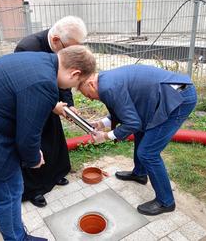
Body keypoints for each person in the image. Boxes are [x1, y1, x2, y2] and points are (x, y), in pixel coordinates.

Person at [0, 45, 96, 241]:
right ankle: (18, 238)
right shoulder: (45, 83)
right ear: (75, 73)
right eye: (76, 83)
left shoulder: (36, 59)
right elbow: (27, 137)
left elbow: (19, 93)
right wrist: (33, 159)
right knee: (9, 190)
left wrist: (52, 106)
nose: (69, 88)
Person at [78, 64, 197, 216]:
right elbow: (125, 110)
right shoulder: (105, 80)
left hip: (179, 98)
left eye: (88, 95)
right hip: (165, 94)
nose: (90, 98)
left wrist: (106, 136)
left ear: (91, 84)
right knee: (141, 132)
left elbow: (132, 123)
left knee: (148, 153)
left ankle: (166, 202)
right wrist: (101, 124)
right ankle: (139, 174)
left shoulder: (107, 87)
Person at [14, 16, 87, 207]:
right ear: (55, 41)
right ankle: (33, 190)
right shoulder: (27, 48)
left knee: (55, 141)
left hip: (53, 103)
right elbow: (26, 87)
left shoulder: (63, 47)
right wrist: (52, 104)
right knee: (34, 145)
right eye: (70, 48)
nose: (72, 53)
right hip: (30, 106)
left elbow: (65, 82)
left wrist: (68, 105)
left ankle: (56, 175)